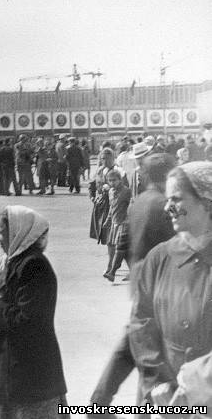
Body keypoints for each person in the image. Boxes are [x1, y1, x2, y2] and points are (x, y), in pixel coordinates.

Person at [86, 154, 175, 419]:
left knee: (137, 345)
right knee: (146, 351)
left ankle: (105, 404)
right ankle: (104, 405)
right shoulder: (163, 205)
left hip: (141, 281)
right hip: (159, 286)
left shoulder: (141, 202)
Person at [128, 161, 212, 416]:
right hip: (167, 399)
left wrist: (196, 382)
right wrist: (157, 380)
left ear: (207, 202)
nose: (168, 207)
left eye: (176, 198)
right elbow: (141, 321)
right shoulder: (159, 257)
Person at [0, 205, 69, 419]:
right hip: (15, 374)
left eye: (1, 233)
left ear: (17, 233)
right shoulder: (14, 262)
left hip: (31, 380)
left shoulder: (34, 267)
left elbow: (25, 320)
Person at [89, 148, 127, 245]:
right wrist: (92, 196)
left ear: (113, 158)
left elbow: (125, 187)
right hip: (101, 205)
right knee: (103, 230)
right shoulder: (100, 170)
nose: (105, 161)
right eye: (103, 158)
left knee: (113, 229)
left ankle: (113, 250)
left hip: (114, 204)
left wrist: (111, 188)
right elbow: (92, 184)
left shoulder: (118, 170)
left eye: (107, 158)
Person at [102, 169, 132, 282]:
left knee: (120, 248)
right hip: (114, 224)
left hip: (124, 224)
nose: (112, 182)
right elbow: (111, 208)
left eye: (114, 180)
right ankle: (133, 272)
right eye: (109, 180)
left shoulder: (126, 192)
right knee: (118, 248)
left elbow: (131, 205)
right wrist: (108, 220)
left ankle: (112, 272)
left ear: (120, 180)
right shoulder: (110, 192)